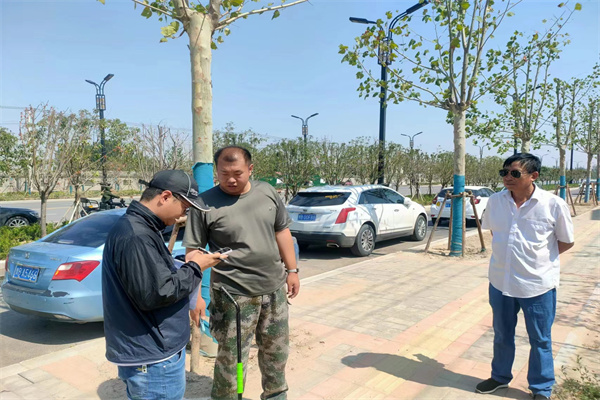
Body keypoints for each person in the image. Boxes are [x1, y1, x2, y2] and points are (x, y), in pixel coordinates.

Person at [183, 146, 300, 400]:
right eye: (224, 174)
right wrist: (195, 296)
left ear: (250, 169)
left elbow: (282, 231)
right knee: (232, 359)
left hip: (274, 290)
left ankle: (276, 395)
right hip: (232, 295)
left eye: (237, 173)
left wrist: (292, 270)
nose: (231, 179)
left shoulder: (266, 192)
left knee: (276, 353)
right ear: (216, 171)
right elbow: (193, 254)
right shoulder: (203, 205)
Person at [102, 169, 227, 400]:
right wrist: (196, 267)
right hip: (153, 358)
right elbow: (157, 293)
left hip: (150, 351)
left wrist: (182, 266)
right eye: (185, 208)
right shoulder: (137, 235)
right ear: (166, 197)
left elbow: (151, 279)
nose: (184, 214)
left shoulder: (141, 228)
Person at [476, 153, 574, 400]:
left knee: (540, 339)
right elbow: (496, 233)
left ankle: (541, 388)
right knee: (502, 334)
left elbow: (566, 241)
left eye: (515, 173)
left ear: (534, 176)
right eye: (504, 172)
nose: (507, 177)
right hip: (500, 282)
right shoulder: (495, 202)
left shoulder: (553, 205)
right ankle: (499, 377)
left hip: (537, 285)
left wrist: (538, 261)